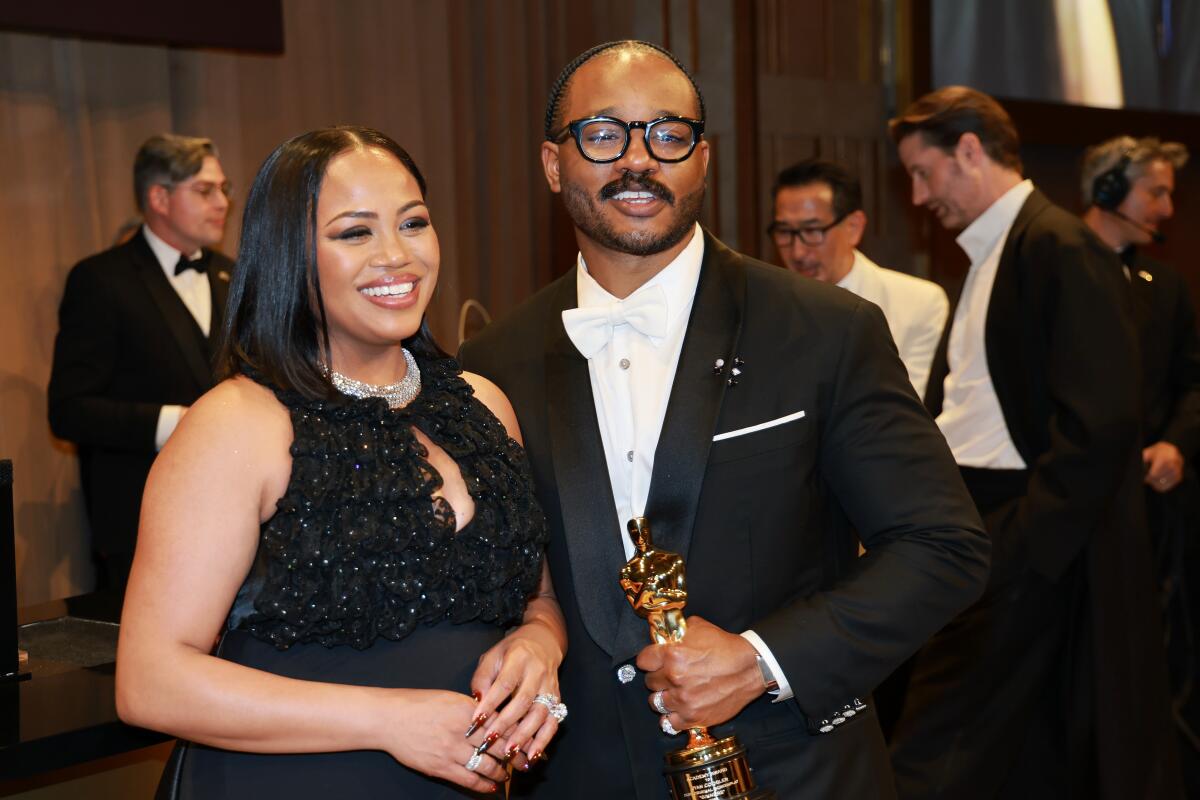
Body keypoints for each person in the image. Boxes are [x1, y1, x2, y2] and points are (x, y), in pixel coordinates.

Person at [459, 40, 989, 799]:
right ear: (553, 164)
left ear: (702, 161)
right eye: (604, 134)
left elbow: (944, 548)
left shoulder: (825, 330)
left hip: (796, 773)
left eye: (668, 134)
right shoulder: (492, 362)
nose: (638, 161)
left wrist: (762, 658)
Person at [115, 126, 567, 799]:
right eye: (355, 232)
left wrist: (539, 644)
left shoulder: (484, 405)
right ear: (291, 256)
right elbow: (150, 682)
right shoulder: (237, 424)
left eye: (413, 222)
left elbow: (539, 595)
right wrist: (389, 720)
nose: (396, 255)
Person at [887, 86, 1182, 799]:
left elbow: (1103, 422)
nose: (920, 196)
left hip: (1024, 527)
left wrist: (1021, 541)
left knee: (936, 742)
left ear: (968, 151)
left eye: (924, 172)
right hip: (986, 520)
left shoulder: (1057, 245)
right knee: (1007, 746)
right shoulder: (998, 249)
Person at [48, 134, 234, 591]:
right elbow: (69, 410)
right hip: (143, 524)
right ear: (159, 197)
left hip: (233, 516)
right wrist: (178, 423)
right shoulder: (100, 280)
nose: (223, 203)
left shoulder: (235, 274)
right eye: (205, 190)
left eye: (225, 189)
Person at [1081, 135, 1200, 793]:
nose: (1166, 207)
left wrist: (1177, 443)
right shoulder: (1058, 269)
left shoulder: (1167, 285)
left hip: (1157, 510)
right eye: (1156, 191)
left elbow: (1193, 383)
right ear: (1108, 191)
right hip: (1083, 508)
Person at [769, 158, 948, 398]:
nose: (798, 252)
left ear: (854, 227)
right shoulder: (766, 305)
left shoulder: (919, 302)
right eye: (785, 232)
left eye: (812, 230)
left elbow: (909, 405)